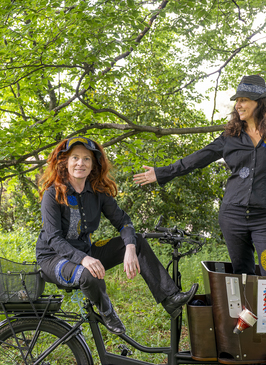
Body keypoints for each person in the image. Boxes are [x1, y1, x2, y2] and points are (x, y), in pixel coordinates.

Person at [134, 75, 266, 277]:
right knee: (242, 274)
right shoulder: (230, 136)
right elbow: (197, 159)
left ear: (259, 103)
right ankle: (246, 310)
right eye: (237, 101)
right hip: (233, 216)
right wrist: (160, 173)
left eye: (243, 100)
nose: (237, 105)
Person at [36, 136, 198, 335]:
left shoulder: (97, 193)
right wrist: (84, 259)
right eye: (75, 158)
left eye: (86, 158)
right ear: (65, 162)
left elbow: (124, 222)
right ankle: (106, 311)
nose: (81, 163)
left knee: (136, 241)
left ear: (93, 164)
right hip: (53, 258)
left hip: (85, 251)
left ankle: (170, 298)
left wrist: (129, 247)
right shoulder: (53, 194)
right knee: (90, 274)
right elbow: (54, 239)